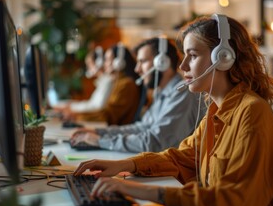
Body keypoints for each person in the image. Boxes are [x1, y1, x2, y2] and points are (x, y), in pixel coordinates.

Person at [73, 14, 273, 206]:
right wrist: (126, 165)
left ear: (222, 58)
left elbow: (234, 203)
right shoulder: (215, 111)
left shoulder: (251, 112)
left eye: (192, 55)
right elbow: (180, 157)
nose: (182, 66)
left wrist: (139, 190)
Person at [70, 37, 203, 153]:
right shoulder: (163, 92)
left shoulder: (182, 93)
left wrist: (101, 141)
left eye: (143, 61)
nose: (137, 69)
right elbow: (143, 127)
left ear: (162, 63)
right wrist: (99, 133)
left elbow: (155, 142)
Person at [62, 43, 142, 125]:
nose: (104, 64)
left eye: (107, 59)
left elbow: (109, 115)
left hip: (117, 130)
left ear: (118, 62)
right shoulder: (119, 82)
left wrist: (77, 116)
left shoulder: (127, 85)